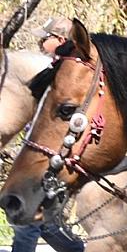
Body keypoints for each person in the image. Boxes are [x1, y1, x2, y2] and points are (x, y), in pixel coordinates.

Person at [10, 18, 85, 252]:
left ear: (61, 40)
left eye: (46, 38)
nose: (41, 42)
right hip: (39, 160)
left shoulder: (67, 78)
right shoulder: (50, 72)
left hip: (50, 162)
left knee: (27, 223)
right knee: (48, 226)